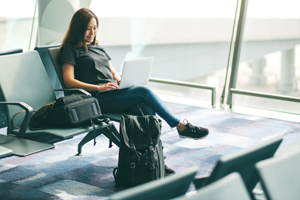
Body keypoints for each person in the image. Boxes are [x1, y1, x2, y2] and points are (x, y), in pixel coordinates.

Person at [58, 8, 209, 149]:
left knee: (146, 108)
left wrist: (125, 81)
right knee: (143, 92)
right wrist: (99, 88)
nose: (92, 32)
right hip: (95, 99)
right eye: (87, 28)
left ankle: (154, 155)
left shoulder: (98, 48)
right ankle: (180, 125)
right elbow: (68, 81)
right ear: (78, 29)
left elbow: (114, 73)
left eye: (95, 27)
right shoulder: (70, 50)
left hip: (111, 93)